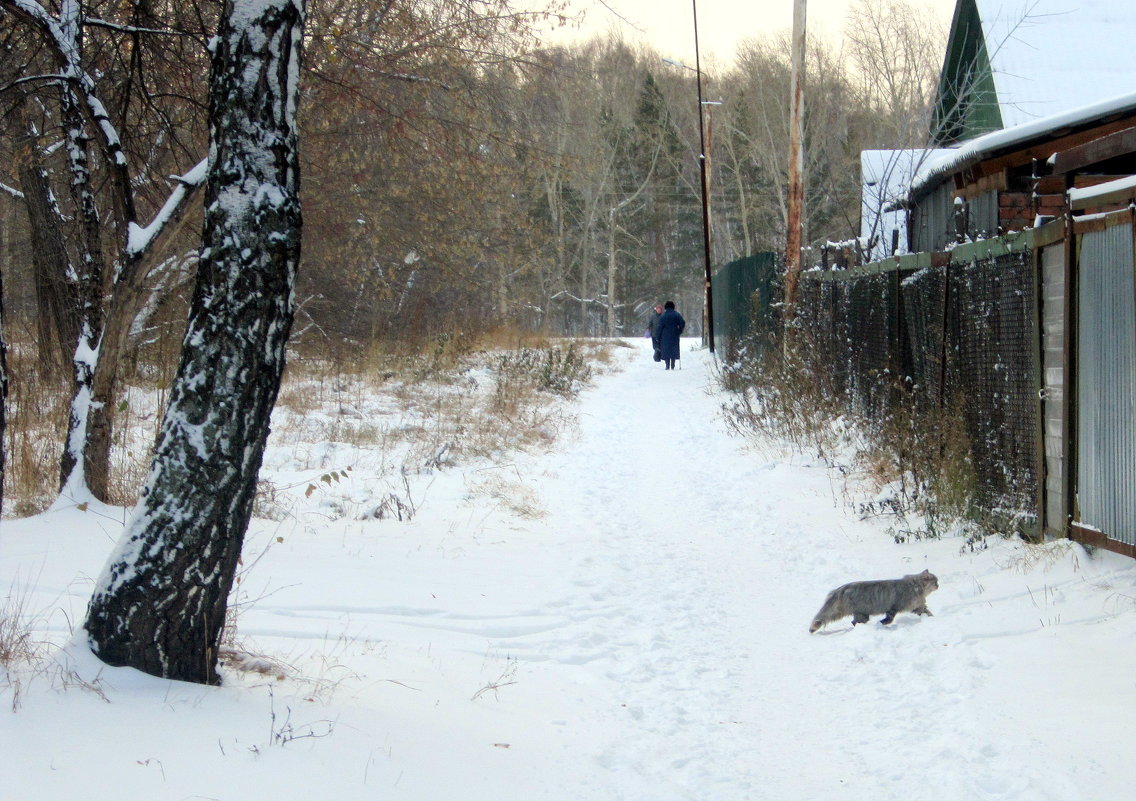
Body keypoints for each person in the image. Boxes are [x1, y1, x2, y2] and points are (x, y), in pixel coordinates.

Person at [655, 300, 685, 370]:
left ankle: (667, 365)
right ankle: (673, 364)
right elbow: (682, 323)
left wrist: (657, 336)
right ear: (673, 307)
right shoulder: (677, 315)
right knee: (674, 349)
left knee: (666, 349)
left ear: (666, 307)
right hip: (675, 334)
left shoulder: (663, 316)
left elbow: (660, 327)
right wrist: (680, 330)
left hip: (665, 336)